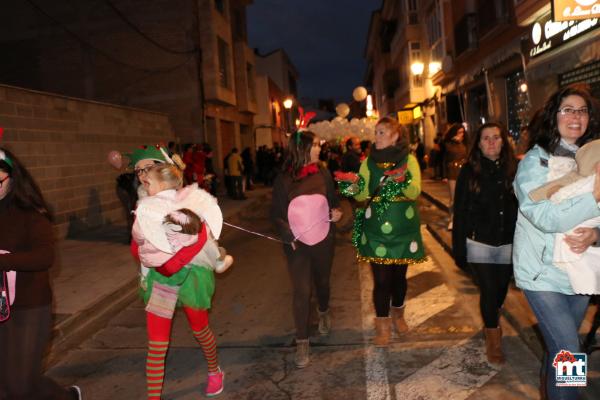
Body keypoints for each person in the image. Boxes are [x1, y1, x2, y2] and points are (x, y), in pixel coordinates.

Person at [512, 84, 600, 400]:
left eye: (582, 110)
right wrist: (594, 198)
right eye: (568, 109)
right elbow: (544, 216)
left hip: (580, 271)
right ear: (554, 116)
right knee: (569, 350)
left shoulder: (594, 158)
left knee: (559, 349)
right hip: (542, 272)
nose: (576, 116)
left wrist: (596, 235)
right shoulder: (535, 162)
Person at [128, 146, 225, 398]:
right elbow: (137, 247)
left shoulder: (191, 200)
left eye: (146, 168)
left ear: (163, 169)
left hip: (192, 276)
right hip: (161, 279)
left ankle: (215, 371)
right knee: (157, 344)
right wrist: (151, 257)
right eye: (138, 171)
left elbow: (203, 238)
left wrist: (175, 261)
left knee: (200, 329)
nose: (141, 175)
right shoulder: (144, 205)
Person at [336, 116, 427, 347]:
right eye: (376, 133)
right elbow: (362, 195)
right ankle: (383, 325)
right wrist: (352, 187)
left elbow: (415, 191)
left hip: (403, 231)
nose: (376, 137)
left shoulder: (410, 160)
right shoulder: (368, 162)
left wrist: (402, 180)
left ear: (395, 136)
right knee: (381, 280)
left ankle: (399, 315)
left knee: (399, 279)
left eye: (382, 133)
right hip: (376, 230)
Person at [0, 147, 82, 400]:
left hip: (28, 306)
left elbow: (44, 257)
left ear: (12, 179)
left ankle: (67, 397)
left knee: (20, 386)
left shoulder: (31, 215)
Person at [270, 130, 343, 368]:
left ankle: (323, 310)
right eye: (315, 145)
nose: (319, 148)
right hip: (297, 245)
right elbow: (277, 214)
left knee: (322, 283)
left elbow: (334, 201)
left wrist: (336, 212)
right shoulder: (283, 180)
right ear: (302, 149)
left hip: (323, 240)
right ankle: (302, 340)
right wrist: (285, 232)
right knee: (301, 291)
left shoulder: (323, 173)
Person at [452, 122, 518, 364]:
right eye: (486, 138)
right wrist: (459, 248)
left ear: (504, 142)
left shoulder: (515, 169)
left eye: (496, 137)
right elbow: (459, 210)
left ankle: (492, 319)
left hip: (508, 242)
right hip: (479, 242)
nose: (491, 142)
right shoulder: (469, 171)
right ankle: (494, 339)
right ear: (478, 144)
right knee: (489, 290)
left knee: (500, 291)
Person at [442, 123, 467, 230]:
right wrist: (444, 175)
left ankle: (462, 219)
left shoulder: (465, 143)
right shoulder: (448, 144)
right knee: (453, 198)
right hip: (452, 172)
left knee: (464, 196)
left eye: (462, 132)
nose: (461, 134)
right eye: (459, 132)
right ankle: (452, 219)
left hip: (464, 171)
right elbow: (443, 160)